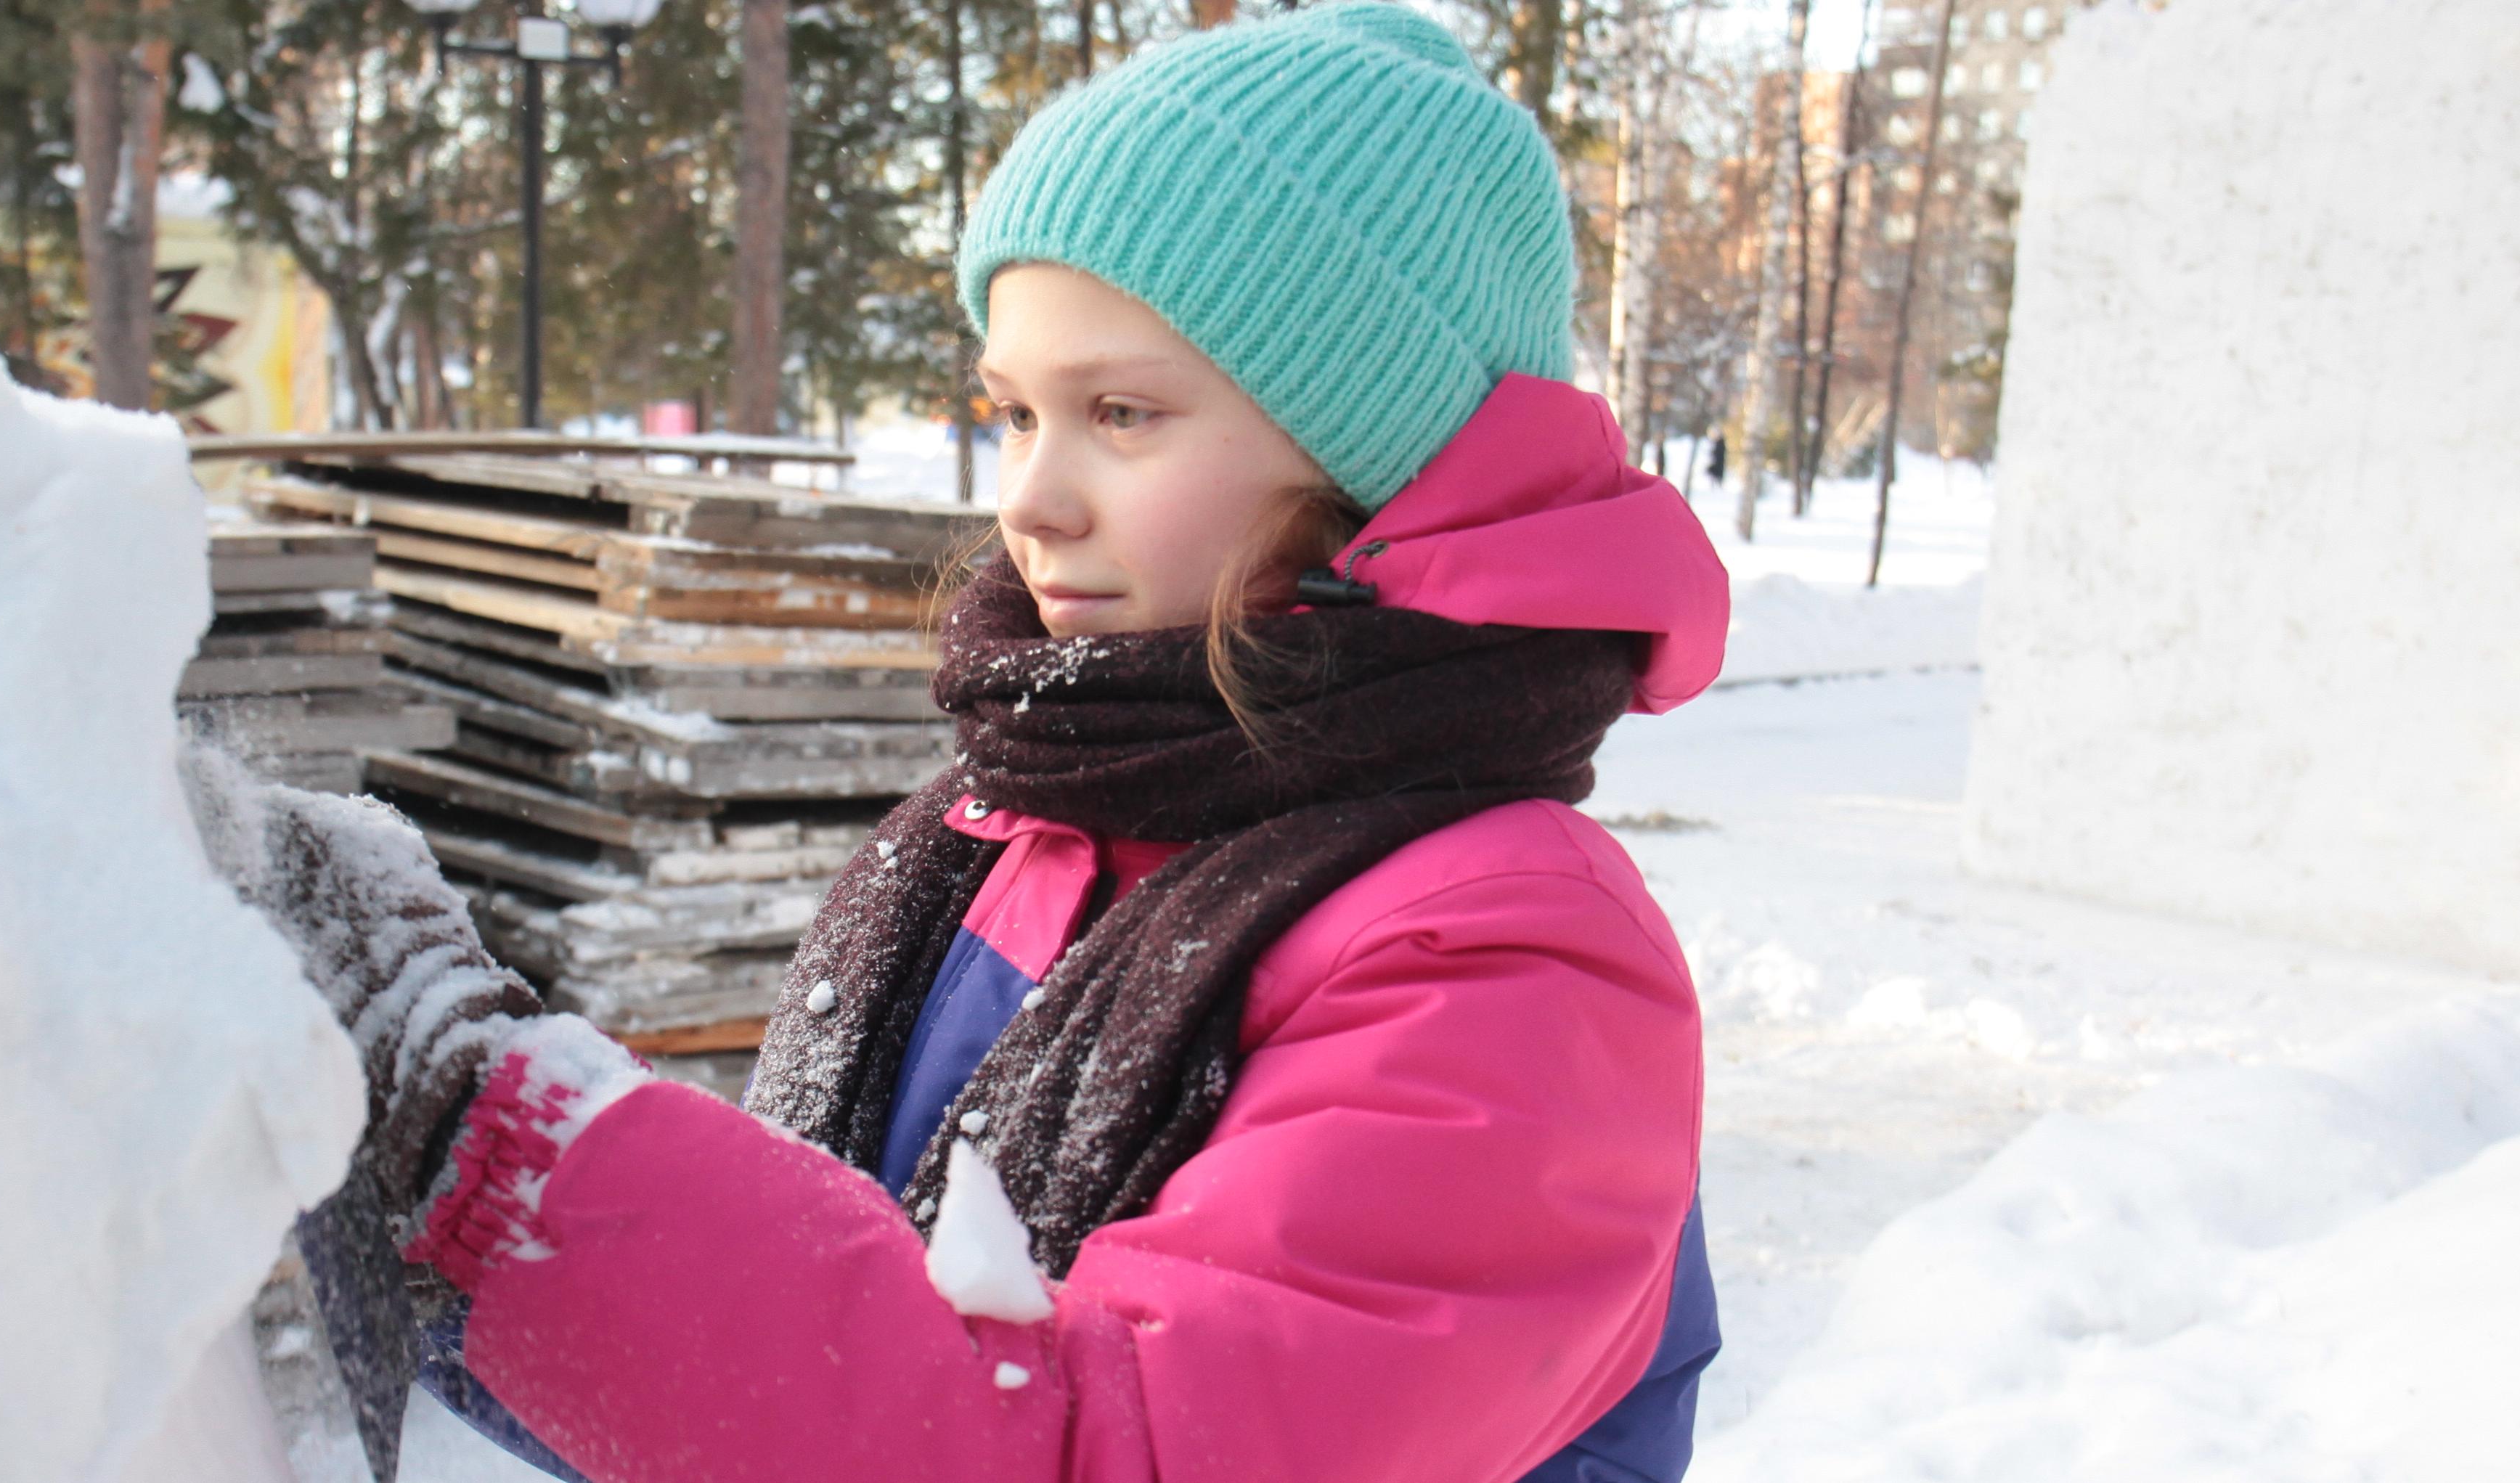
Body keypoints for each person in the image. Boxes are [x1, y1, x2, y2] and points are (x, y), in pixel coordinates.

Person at [307, 7, 1728, 1479]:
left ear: (1375, 456)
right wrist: (391, 1143)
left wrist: (500, 1158)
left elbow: (1104, 1446)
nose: (1031, 501)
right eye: (1013, 413)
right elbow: (808, 1351)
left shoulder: (1509, 954)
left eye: (1121, 412)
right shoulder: (1018, 821)